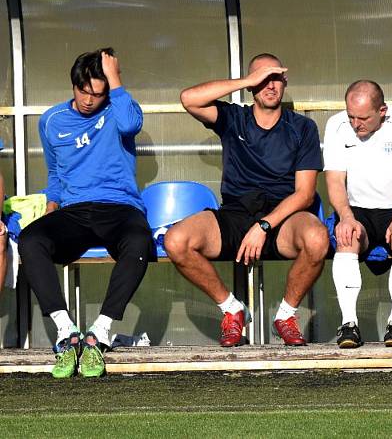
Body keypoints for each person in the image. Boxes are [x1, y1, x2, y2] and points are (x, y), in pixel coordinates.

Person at [167, 53, 329, 347]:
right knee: (176, 241)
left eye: (275, 78)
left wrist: (264, 226)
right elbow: (189, 98)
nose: (269, 85)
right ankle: (232, 309)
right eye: (262, 79)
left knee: (318, 238)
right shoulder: (234, 118)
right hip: (235, 212)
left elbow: (304, 194)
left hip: (282, 217)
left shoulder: (302, 128)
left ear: (285, 81)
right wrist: (245, 81)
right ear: (251, 85)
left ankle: (286, 316)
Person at [19, 48, 154, 378]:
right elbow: (55, 173)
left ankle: (102, 331)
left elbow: (132, 123)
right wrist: (51, 207)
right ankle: (66, 332)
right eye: (84, 92)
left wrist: (116, 79)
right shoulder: (51, 121)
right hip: (75, 211)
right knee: (30, 239)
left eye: (98, 93)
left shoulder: (118, 108)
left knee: (139, 240)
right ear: (74, 85)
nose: (90, 100)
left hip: (119, 207)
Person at [323, 80, 392, 348]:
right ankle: (349, 325)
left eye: (363, 118)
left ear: (382, 111)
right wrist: (345, 217)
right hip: (357, 209)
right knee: (346, 237)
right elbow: (334, 180)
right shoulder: (336, 125)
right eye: (351, 117)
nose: (356, 124)